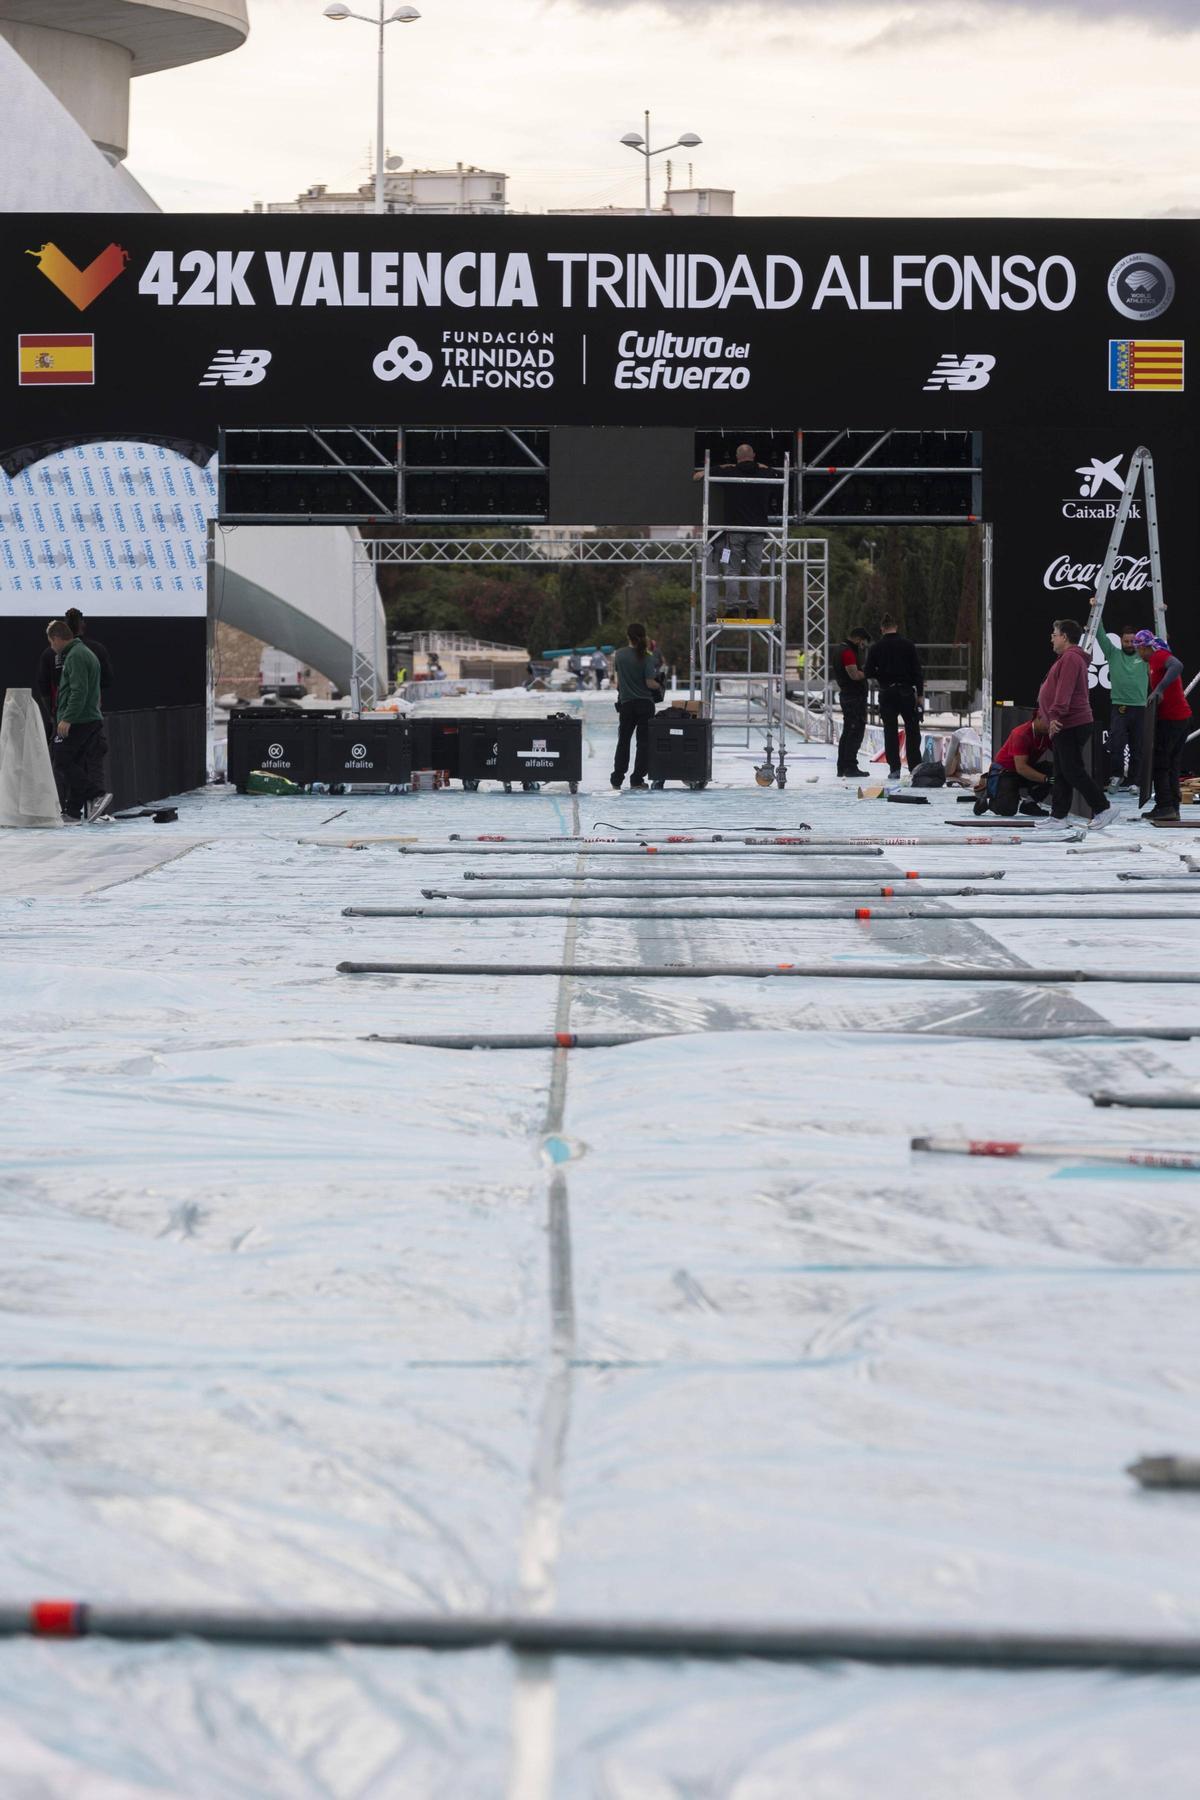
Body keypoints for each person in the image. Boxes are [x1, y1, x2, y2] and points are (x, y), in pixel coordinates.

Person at [1037, 618, 1114, 830]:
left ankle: (1103, 808)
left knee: (1072, 770)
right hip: (1067, 723)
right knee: (1061, 771)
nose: (1051, 639)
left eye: (1054, 634)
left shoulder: (1071, 659)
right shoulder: (1068, 658)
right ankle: (1059, 816)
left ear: (1064, 636)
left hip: (1070, 723)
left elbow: (1065, 691)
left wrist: (1055, 716)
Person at [696, 443, 773, 617]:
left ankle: (732, 609)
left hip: (735, 531)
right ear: (753, 455)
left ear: (737, 458)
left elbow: (706, 473)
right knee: (754, 571)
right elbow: (780, 474)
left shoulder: (730, 472)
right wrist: (761, 466)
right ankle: (753, 609)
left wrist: (725, 466)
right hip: (757, 530)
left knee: (733, 570)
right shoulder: (764, 473)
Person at [45, 617, 111, 822]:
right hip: (88, 718)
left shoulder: (75, 656)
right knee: (76, 762)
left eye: (50, 641)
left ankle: (96, 795)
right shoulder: (81, 653)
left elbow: (78, 691)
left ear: (56, 638)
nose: (51, 647)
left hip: (80, 720)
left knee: (61, 760)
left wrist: (67, 718)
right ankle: (73, 811)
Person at [1134, 629, 1192, 822]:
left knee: (1161, 762)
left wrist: (1159, 689)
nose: (1137, 654)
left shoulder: (1159, 656)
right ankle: (1171, 807)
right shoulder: (1155, 658)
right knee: (1172, 764)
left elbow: (1177, 665)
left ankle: (1165, 806)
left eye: (1138, 649)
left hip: (1172, 719)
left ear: (1144, 647)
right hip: (1180, 717)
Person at [865, 614, 924, 780]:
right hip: (906, 692)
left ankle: (894, 768)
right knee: (912, 730)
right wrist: (919, 694)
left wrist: (882, 675)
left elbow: (868, 671)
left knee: (890, 731)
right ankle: (914, 767)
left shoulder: (876, 648)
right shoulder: (908, 645)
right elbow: (917, 672)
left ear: (882, 628)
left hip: (887, 692)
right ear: (896, 626)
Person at [35, 607, 113, 730]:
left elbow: (45, 688)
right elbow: (106, 681)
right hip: (87, 714)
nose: (52, 645)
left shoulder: (56, 653)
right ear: (83, 625)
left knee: (67, 747)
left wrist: (54, 714)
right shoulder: (96, 649)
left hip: (67, 716)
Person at [610, 621, 663, 790]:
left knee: (623, 741)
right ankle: (637, 779)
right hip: (645, 705)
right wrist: (660, 684)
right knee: (643, 743)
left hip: (626, 704)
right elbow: (649, 683)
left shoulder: (619, 655)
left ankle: (617, 778)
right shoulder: (647, 656)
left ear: (628, 636)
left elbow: (618, 682)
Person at [1097, 621, 1149, 790]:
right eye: (1126, 641)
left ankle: (1135, 781)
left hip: (1140, 707)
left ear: (1137, 642)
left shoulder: (1144, 656)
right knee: (1117, 744)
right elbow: (1100, 635)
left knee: (1137, 746)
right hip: (1119, 707)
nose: (1129, 644)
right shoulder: (1113, 654)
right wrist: (1095, 607)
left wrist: (1161, 611)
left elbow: (1162, 645)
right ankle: (1116, 776)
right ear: (1120, 641)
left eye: (1132, 641)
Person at [974, 715, 1053, 817]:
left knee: (1055, 771)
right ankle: (987, 801)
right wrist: (1046, 779)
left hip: (1024, 770)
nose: (1051, 725)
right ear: (1038, 718)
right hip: (1006, 772)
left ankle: (1030, 803)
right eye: (1049, 722)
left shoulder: (1048, 733)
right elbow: (1021, 768)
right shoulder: (1021, 734)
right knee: (1008, 810)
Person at [835, 628, 871, 778]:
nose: (863, 646)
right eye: (863, 643)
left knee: (848, 731)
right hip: (854, 697)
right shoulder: (848, 652)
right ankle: (850, 766)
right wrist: (869, 672)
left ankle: (842, 766)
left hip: (848, 695)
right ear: (858, 639)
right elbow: (854, 675)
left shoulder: (840, 650)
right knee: (855, 731)